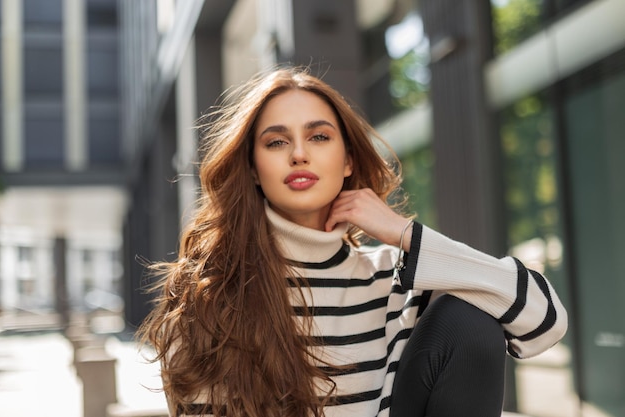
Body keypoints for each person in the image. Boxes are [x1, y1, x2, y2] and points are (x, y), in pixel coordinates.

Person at [138, 67, 568, 417]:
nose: (299, 154)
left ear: (347, 162)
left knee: (469, 319)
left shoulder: (398, 279)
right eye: (276, 142)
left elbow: (546, 322)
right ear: (252, 168)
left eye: (319, 136)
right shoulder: (210, 296)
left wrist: (403, 234)